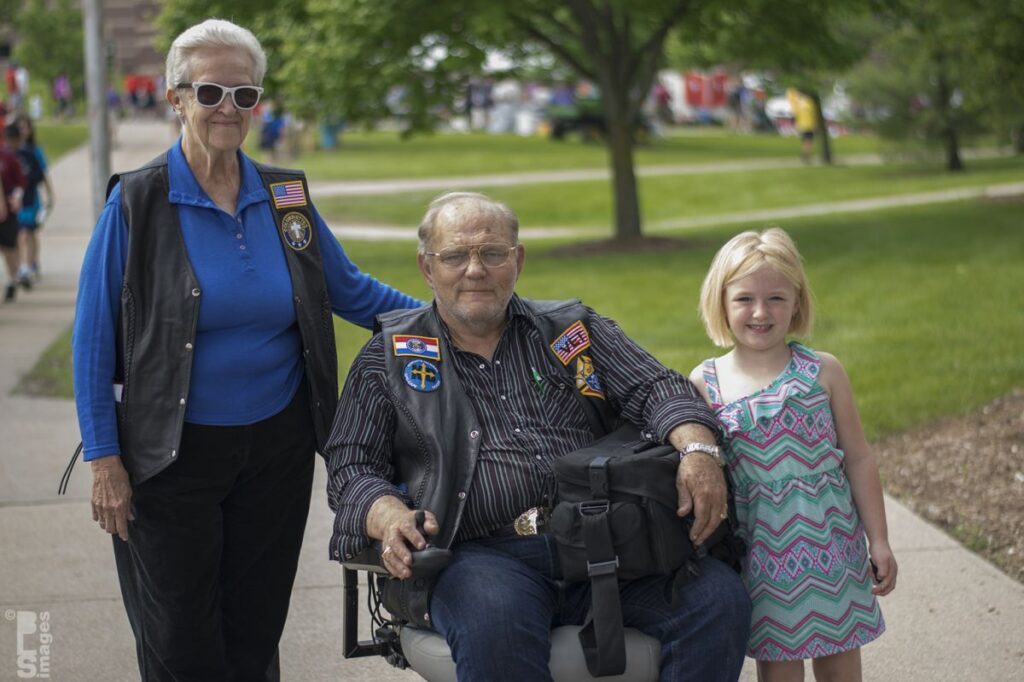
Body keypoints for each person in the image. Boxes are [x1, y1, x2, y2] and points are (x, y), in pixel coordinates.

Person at [72, 19, 421, 681]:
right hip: (167, 459)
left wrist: (451, 323)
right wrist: (104, 460)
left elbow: (352, 290)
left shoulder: (285, 197)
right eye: (210, 92)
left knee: (255, 630)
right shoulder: (137, 203)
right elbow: (93, 342)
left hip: (275, 451)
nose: (228, 108)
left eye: (244, 94)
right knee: (180, 640)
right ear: (176, 99)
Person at [326, 191, 752, 682]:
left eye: (492, 253)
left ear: (518, 259)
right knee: (498, 625)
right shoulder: (389, 358)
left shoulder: (573, 332)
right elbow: (351, 466)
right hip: (479, 557)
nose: (475, 270)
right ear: (427, 267)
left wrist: (698, 451)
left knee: (716, 600)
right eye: (455, 256)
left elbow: (657, 387)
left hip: (605, 543)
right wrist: (389, 516)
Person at [689, 227, 897, 682]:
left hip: (832, 545)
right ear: (721, 303)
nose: (760, 312)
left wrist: (879, 540)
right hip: (763, 555)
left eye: (776, 298)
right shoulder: (706, 383)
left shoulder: (824, 372)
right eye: (744, 299)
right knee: (779, 670)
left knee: (841, 665)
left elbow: (858, 458)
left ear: (797, 302)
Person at [11, 117, 54, 287]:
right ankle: (27, 265)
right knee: (23, 234)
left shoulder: (35, 151)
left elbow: (43, 173)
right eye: (20, 128)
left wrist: (50, 193)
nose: (23, 131)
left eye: (25, 127)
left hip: (31, 199)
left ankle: (30, 265)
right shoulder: (11, 152)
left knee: (27, 233)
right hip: (16, 200)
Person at [0, 124, 25, 303]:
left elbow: (20, 182)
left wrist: (17, 197)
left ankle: (12, 278)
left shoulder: (7, 158)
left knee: (9, 247)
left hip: (7, 211)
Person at [787, 87, 817, 163]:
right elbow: (813, 114)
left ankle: (805, 154)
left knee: (805, 141)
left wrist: (797, 123)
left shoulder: (799, 103)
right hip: (809, 124)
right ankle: (806, 155)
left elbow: (796, 113)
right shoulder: (809, 102)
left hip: (802, 125)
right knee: (809, 141)